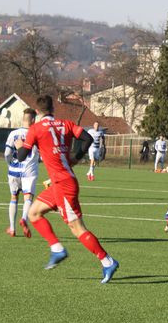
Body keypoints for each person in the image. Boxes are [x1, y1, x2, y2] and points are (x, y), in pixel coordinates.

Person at [14, 95, 119, 283]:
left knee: (77, 228)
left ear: (37, 112)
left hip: (63, 185)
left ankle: (107, 261)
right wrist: (75, 158)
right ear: (53, 108)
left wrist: (20, 145)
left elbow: (21, 156)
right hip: (61, 182)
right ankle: (57, 249)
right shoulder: (66, 124)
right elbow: (87, 139)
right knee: (34, 213)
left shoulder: (35, 129)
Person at [4, 108, 39, 238]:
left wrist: (10, 164)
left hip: (14, 169)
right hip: (29, 170)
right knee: (28, 197)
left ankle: (12, 228)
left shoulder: (13, 134)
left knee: (14, 197)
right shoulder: (36, 134)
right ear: (33, 120)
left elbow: (7, 153)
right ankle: (24, 218)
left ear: (23, 119)